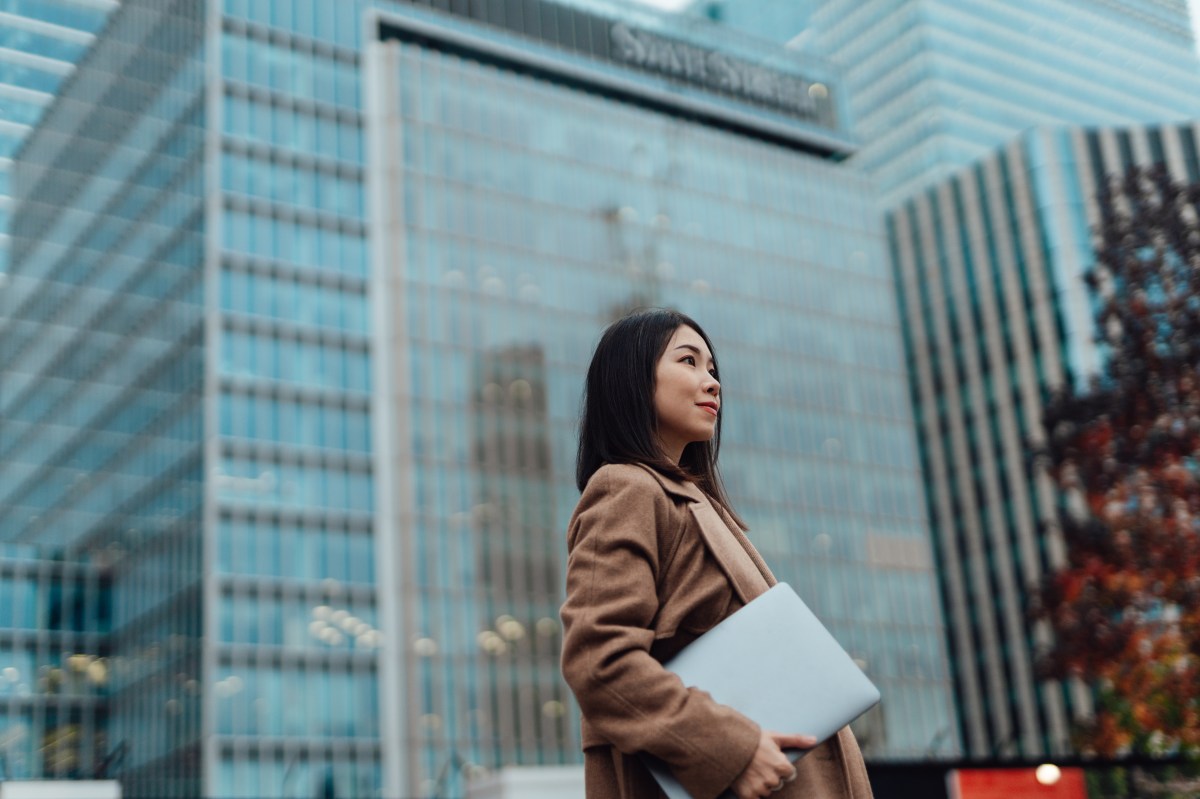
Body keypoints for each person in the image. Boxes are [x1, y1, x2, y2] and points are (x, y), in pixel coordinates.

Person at [560, 308, 874, 799]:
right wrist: (731, 750)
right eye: (688, 361)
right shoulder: (627, 489)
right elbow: (600, 662)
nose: (712, 382)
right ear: (633, 380)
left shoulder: (698, 504)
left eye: (713, 368)